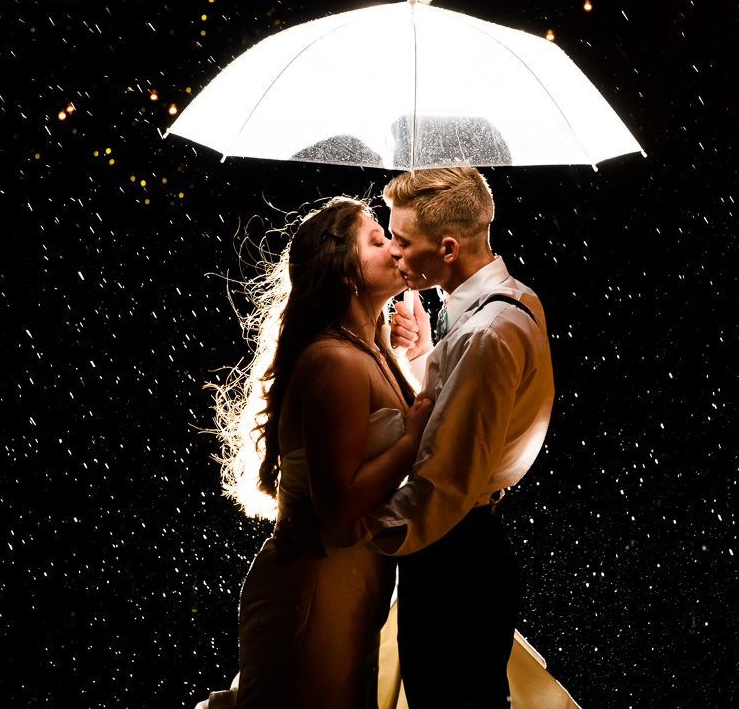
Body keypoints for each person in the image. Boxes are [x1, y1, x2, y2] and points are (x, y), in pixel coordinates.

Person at [201, 196, 434, 709]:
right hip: (312, 591)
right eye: (378, 241)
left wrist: (414, 354)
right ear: (345, 273)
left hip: (350, 585)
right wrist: (413, 437)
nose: (396, 247)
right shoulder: (335, 361)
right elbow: (339, 504)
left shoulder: (368, 350)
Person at [351, 167, 555, 708]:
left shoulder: (488, 334)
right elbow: (460, 415)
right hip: (466, 547)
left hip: (454, 560)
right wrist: (422, 355)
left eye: (402, 240)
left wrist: (358, 526)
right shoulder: (511, 302)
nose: (394, 252)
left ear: (447, 247)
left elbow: (446, 476)